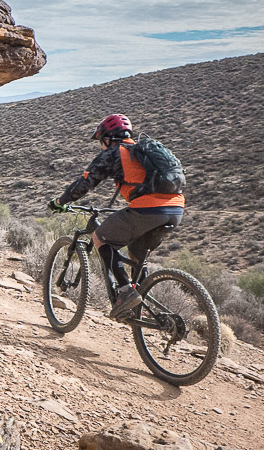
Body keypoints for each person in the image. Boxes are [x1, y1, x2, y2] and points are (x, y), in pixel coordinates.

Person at [49, 114, 184, 319]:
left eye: (102, 141)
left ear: (108, 138)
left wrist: (61, 202)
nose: (102, 146)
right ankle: (141, 305)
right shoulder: (142, 151)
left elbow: (85, 182)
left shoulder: (114, 152)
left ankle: (125, 293)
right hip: (175, 209)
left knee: (101, 237)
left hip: (148, 209)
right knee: (137, 253)